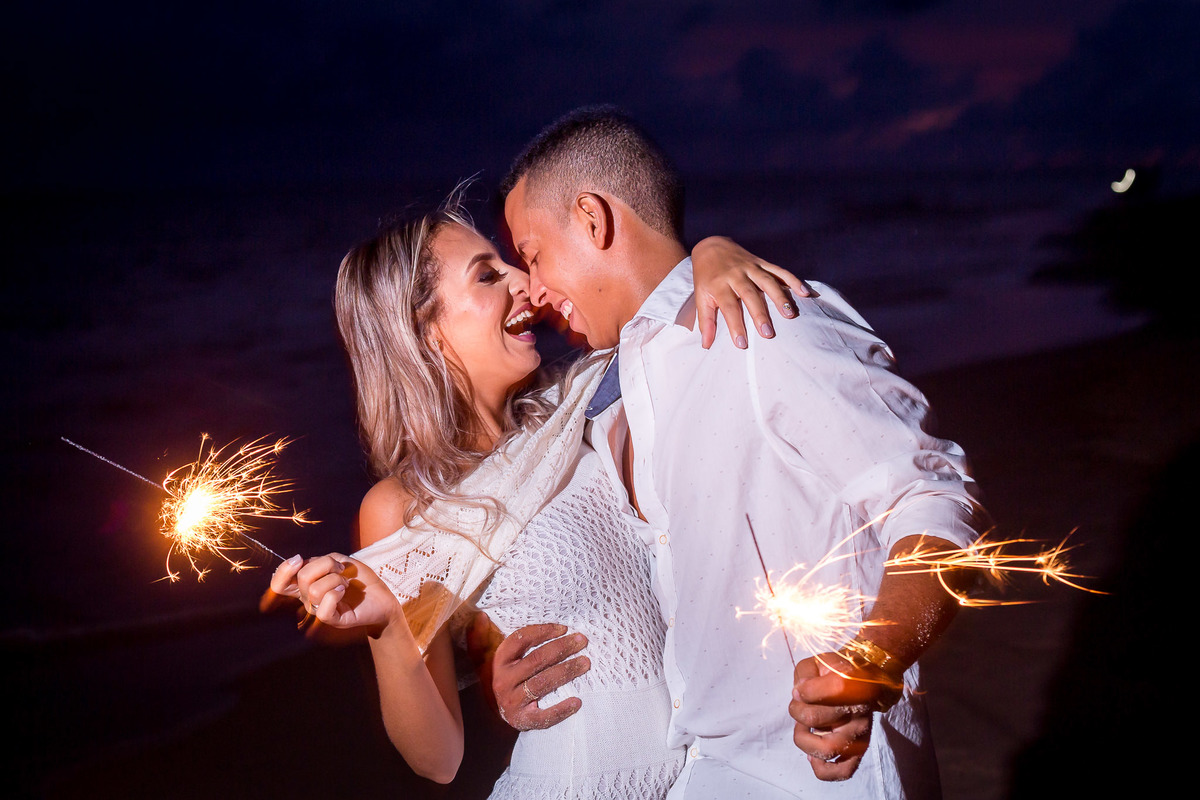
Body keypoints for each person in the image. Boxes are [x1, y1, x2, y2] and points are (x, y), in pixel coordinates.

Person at [494, 106, 986, 799]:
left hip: (820, 769)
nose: (534, 289)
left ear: (593, 219)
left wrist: (873, 659)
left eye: (534, 254)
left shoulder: (763, 326)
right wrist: (503, 664)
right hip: (701, 768)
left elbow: (935, 498)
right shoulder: (610, 401)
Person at [265, 190, 807, 797]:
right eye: (488, 276)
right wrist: (390, 624)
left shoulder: (587, 401)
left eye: (509, 264)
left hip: (703, 774)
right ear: (428, 332)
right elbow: (438, 758)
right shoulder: (406, 506)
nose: (522, 281)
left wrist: (710, 253)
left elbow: (665, 321)